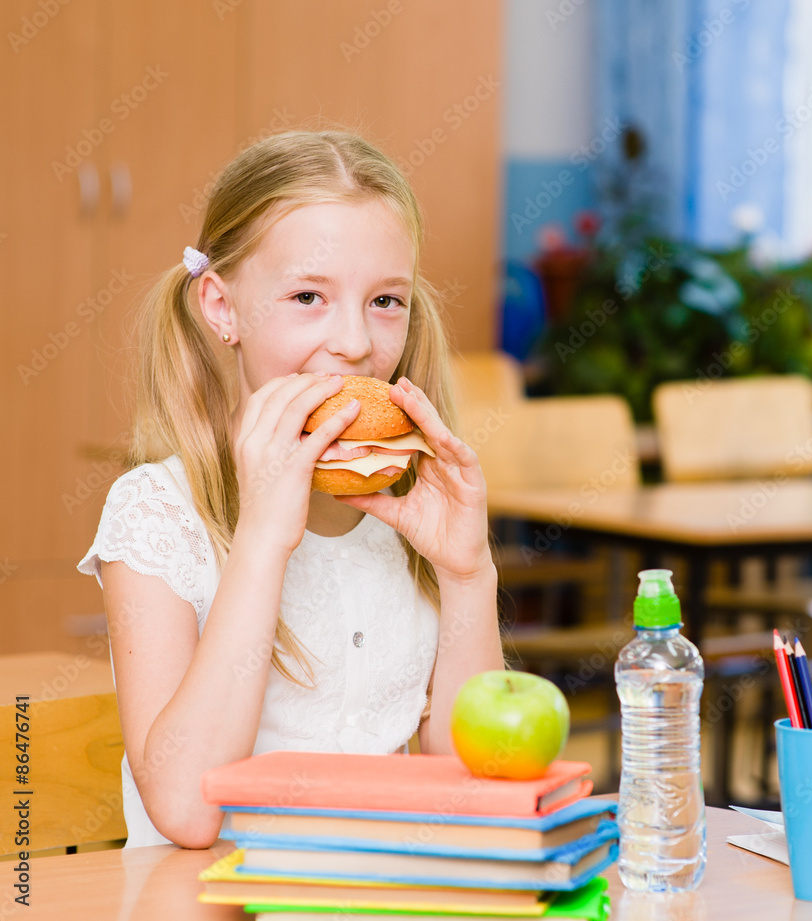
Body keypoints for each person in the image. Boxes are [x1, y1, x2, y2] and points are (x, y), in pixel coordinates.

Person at [77, 130, 504, 849]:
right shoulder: (155, 513)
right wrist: (265, 538)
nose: (354, 341)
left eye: (385, 301)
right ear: (222, 307)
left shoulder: (409, 512)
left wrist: (468, 573)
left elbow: (468, 784)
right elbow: (186, 810)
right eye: (308, 295)